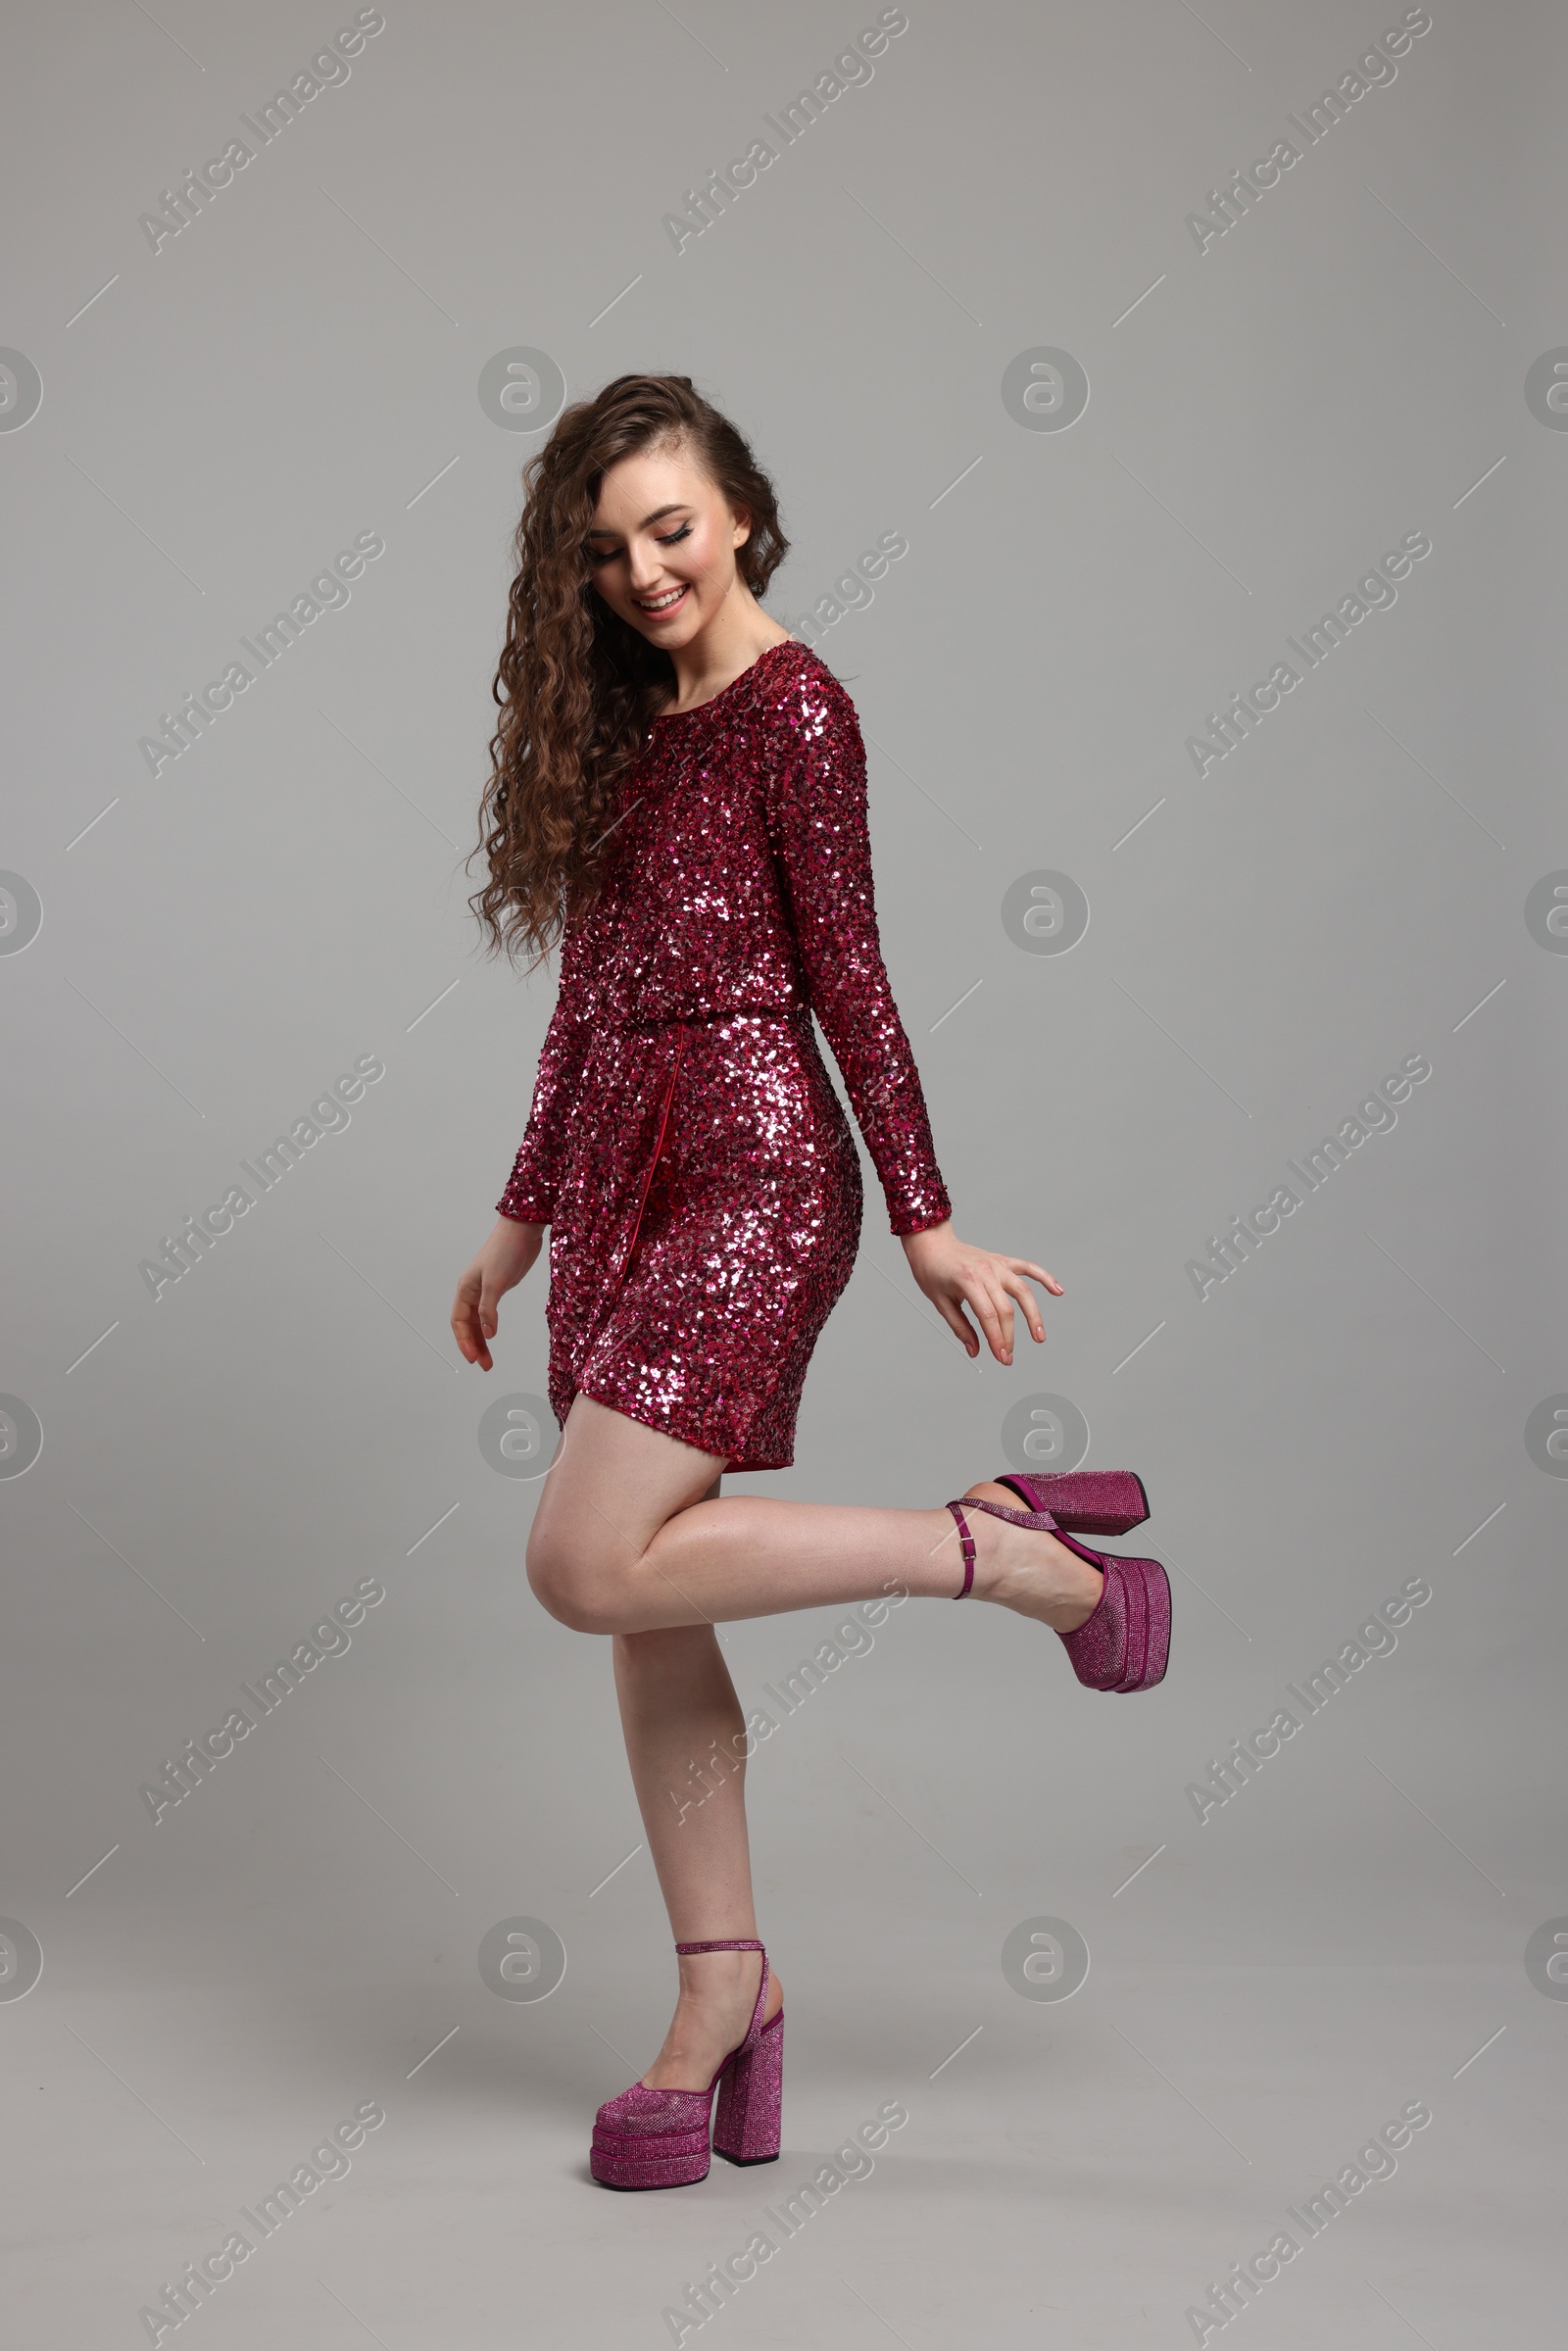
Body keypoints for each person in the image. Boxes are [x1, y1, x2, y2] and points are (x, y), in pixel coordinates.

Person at [452, 372, 1169, 2191]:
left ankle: (1003, 1550)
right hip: (624, 1182)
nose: (643, 572)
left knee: (578, 1559)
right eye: (606, 552)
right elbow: (584, 1003)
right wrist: (522, 1216)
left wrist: (924, 1215)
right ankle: (723, 1998)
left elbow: (850, 974)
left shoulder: (798, 708)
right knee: (642, 1602)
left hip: (760, 1168)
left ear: (745, 512)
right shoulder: (624, 732)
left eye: (671, 528)